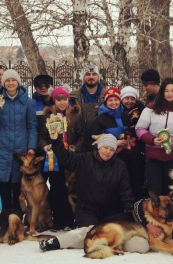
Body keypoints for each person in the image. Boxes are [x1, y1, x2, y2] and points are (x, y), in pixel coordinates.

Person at [39, 133, 141, 252]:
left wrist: (131, 212)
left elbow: (126, 191)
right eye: (105, 147)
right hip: (87, 210)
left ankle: (109, 243)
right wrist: (56, 141)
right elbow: (65, 158)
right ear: (99, 146)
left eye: (112, 149)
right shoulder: (84, 159)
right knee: (92, 231)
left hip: (111, 212)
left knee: (112, 233)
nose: (108, 151)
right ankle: (57, 242)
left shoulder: (120, 166)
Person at [0, 69, 37, 218]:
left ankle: (19, 217)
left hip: (21, 150)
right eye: (7, 80)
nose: (10, 83)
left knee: (18, 184)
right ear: (3, 83)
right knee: (2, 184)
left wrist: (31, 148)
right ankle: (4, 217)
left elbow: (32, 126)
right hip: (2, 148)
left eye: (13, 80)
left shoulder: (27, 102)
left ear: (18, 82)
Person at [135, 77, 173, 196]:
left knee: (169, 193)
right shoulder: (151, 108)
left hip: (172, 158)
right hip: (153, 158)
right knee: (154, 193)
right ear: (162, 92)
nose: (169, 94)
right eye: (166, 90)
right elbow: (139, 129)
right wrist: (151, 140)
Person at [39, 85, 85, 231]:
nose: (62, 102)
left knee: (71, 189)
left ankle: (71, 219)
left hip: (70, 157)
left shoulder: (76, 115)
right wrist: (44, 146)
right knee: (56, 189)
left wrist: (75, 148)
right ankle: (58, 219)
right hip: (54, 157)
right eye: (58, 99)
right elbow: (41, 137)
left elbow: (82, 136)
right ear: (54, 101)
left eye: (64, 99)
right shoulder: (48, 116)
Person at [119, 86, 146, 201]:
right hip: (121, 150)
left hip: (137, 150)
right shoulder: (117, 110)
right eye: (126, 98)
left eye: (132, 98)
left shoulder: (140, 111)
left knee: (136, 178)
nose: (129, 101)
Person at [70, 64, 105, 151]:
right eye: (88, 74)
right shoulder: (73, 96)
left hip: (99, 140)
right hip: (79, 141)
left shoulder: (107, 96)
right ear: (83, 77)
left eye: (94, 74)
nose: (91, 77)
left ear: (98, 77)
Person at [32, 74, 54, 156]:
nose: (44, 88)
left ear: (51, 86)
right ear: (36, 88)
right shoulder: (31, 104)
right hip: (37, 144)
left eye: (47, 85)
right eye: (40, 86)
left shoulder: (59, 101)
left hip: (56, 143)